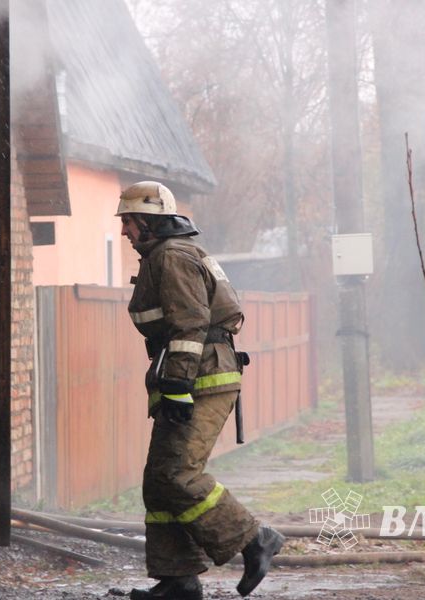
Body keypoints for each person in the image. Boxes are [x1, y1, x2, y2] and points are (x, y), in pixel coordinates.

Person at [116, 181, 284, 600]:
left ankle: (254, 539)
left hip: (200, 377)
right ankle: (179, 580)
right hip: (191, 374)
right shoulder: (167, 253)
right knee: (159, 481)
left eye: (129, 221)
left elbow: (190, 322)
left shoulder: (172, 256)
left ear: (149, 221)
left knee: (177, 474)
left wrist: (177, 384)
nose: (124, 231)